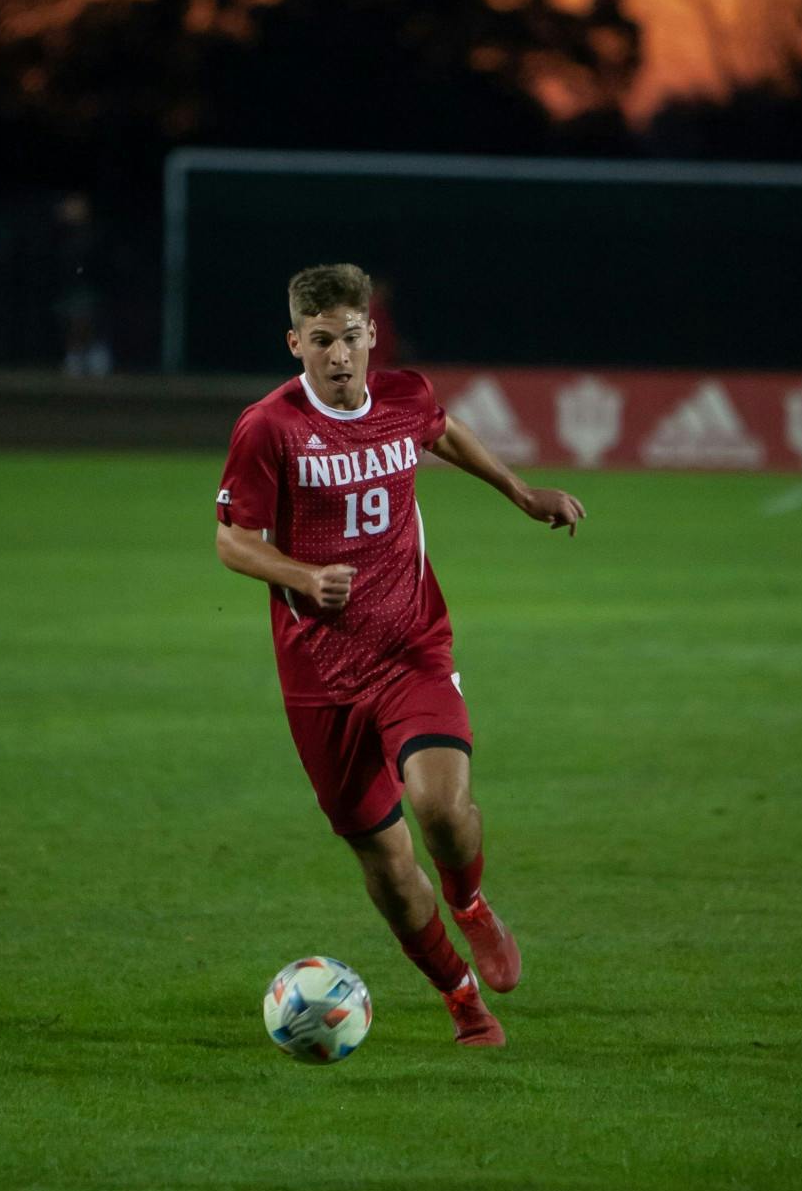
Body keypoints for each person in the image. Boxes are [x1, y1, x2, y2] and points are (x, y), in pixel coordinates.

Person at [215, 263, 585, 1047]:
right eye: (321, 342)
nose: (340, 356)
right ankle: (460, 1000)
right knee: (384, 864)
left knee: (441, 807)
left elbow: (441, 428)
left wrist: (521, 493)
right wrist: (301, 576)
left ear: (371, 333)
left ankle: (471, 903)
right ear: (295, 344)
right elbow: (231, 541)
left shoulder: (403, 395)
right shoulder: (268, 428)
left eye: (351, 337)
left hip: (410, 645)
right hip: (318, 680)